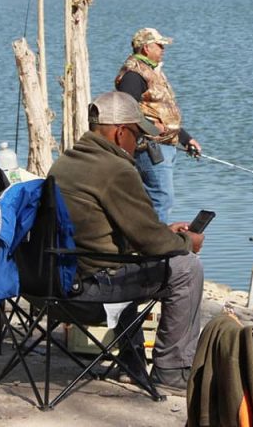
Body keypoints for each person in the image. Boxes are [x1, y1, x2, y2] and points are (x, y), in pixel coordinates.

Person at [47, 91, 205, 390]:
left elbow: (101, 232)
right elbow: (151, 243)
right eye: (137, 135)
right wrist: (187, 241)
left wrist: (167, 231)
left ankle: (129, 364)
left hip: (50, 284)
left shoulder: (65, 162)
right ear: (120, 133)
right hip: (89, 293)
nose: (140, 144)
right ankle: (172, 371)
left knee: (134, 263)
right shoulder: (116, 169)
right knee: (187, 268)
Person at [115, 27, 202, 222]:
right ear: (146, 48)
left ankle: (148, 244)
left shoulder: (152, 72)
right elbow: (126, 112)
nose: (163, 49)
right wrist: (152, 128)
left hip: (166, 146)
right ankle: (153, 246)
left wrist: (186, 139)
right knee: (162, 198)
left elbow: (164, 115)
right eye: (159, 45)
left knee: (158, 199)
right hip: (150, 148)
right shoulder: (133, 75)